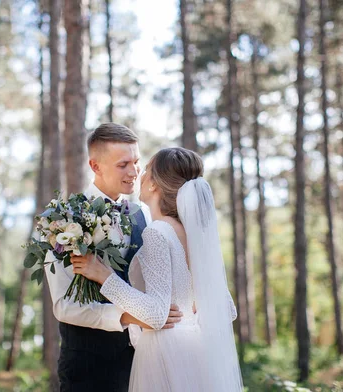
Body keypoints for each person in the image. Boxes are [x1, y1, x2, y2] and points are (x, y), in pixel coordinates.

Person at [72, 147, 244, 391]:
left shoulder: (157, 232)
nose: (139, 174)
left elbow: (155, 315)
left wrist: (103, 276)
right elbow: (227, 310)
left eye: (147, 170)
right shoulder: (196, 235)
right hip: (194, 349)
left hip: (164, 353)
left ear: (153, 185)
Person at [44, 123, 183, 392]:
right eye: (123, 165)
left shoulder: (144, 214)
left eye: (136, 162)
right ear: (95, 166)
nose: (134, 172)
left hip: (144, 361)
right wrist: (128, 317)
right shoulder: (62, 221)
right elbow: (64, 306)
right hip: (88, 367)